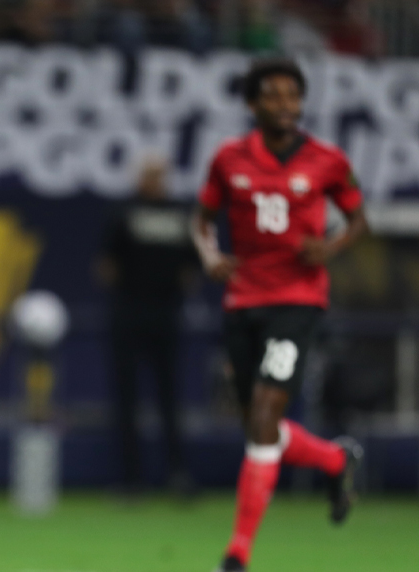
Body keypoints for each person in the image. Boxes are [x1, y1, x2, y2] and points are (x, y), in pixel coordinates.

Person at [192, 58, 367, 572]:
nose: (285, 105)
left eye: (293, 96)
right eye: (273, 96)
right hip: (243, 300)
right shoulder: (228, 159)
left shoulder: (326, 160)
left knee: (266, 415)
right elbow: (202, 221)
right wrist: (209, 256)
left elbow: (358, 219)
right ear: (252, 104)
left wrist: (330, 248)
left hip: (298, 300)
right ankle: (336, 460)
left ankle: (238, 552)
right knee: (257, 427)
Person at [98, 157, 196, 496]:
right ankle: (131, 479)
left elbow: (191, 265)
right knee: (127, 399)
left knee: (170, 398)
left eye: (160, 175)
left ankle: (177, 475)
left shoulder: (180, 213)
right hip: (128, 314)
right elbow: (106, 264)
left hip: (166, 315)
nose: (155, 180)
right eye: (149, 174)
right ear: (139, 177)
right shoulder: (123, 212)